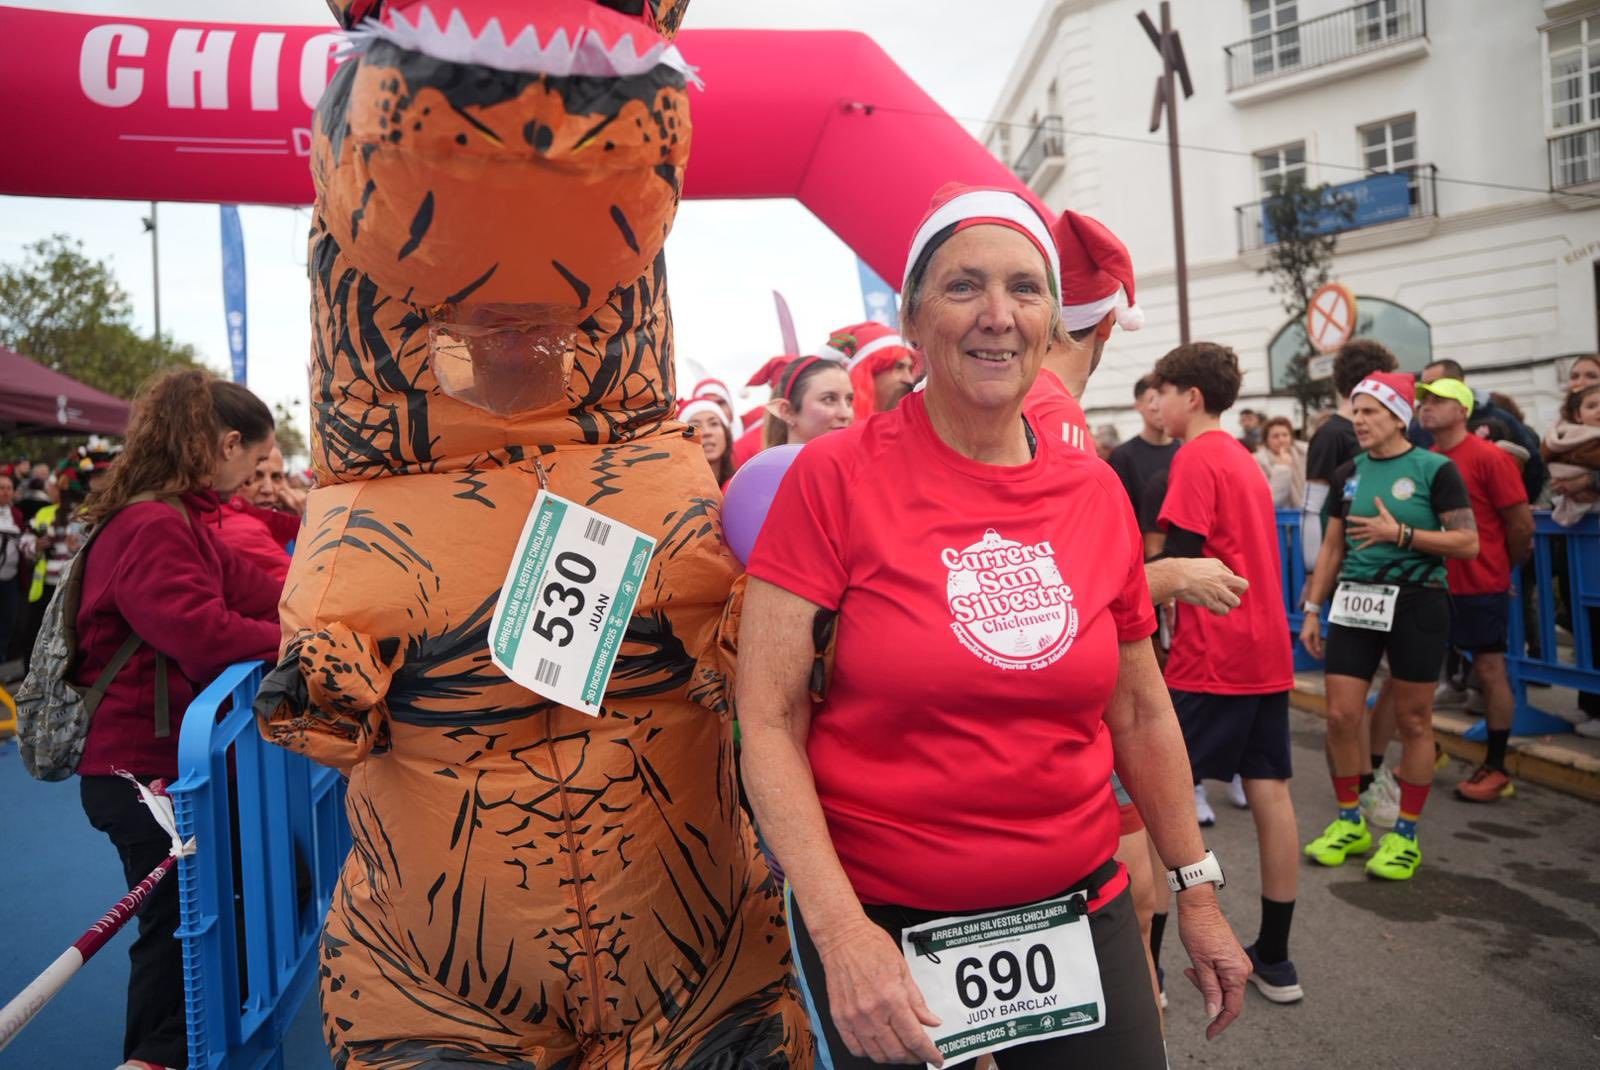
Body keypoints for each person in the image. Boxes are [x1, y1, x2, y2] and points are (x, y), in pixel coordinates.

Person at [739, 185, 1248, 1070]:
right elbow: (770, 720)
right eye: (964, 286)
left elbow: (1138, 710)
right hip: (884, 924)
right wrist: (840, 931)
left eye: (1025, 288)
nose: (998, 316)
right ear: (913, 315)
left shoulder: (1093, 492)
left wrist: (1195, 888)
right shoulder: (832, 479)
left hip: (1077, 911)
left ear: (1053, 320)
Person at [72, 369, 285, 1070]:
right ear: (226, 444)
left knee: (209, 909)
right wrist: (301, 639)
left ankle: (179, 1047)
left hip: (159, 764)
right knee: (175, 925)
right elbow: (205, 632)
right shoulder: (152, 525)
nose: (254, 478)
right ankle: (153, 1058)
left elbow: (257, 588)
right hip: (138, 770)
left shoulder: (175, 519)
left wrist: (330, 595)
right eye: (255, 463)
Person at [1150, 342, 1303, 1004]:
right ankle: (1276, 957)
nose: (1155, 403)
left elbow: (1181, 560)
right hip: (1266, 649)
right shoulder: (1242, 457)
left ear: (1192, 396)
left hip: (1213, 654)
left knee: (1162, 800)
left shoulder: (1197, 456)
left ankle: (1147, 964)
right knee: (1271, 791)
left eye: (1164, 390)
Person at [1299, 372, 1479, 881]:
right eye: (1355, 411)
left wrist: (1399, 533)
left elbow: (1467, 542)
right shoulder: (1347, 473)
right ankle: (1350, 819)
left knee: (1416, 721)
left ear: (1399, 416)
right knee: (1339, 715)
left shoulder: (1434, 469)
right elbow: (1333, 546)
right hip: (1355, 602)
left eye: (1370, 412)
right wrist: (1313, 608)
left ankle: (1404, 834)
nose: (1358, 420)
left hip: (1417, 603)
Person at [1414, 377, 1533, 801]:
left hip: (1481, 583)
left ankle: (1497, 766)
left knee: (1488, 669)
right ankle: (1432, 750)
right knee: (1417, 675)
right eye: (1423, 401)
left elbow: (1521, 523)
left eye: (1438, 400)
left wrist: (1504, 570)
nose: (1426, 407)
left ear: (1463, 410)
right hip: (1432, 583)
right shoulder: (1424, 459)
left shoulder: (1489, 458)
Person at [1301, 340, 1398, 575]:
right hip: (1346, 565)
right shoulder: (1330, 434)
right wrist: (1313, 572)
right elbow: (1312, 509)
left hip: (1388, 559)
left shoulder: (1390, 429)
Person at [1410, 358, 1546, 502]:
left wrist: (1524, 500)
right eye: (1425, 389)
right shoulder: (1418, 428)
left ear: (1459, 381)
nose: (1428, 396)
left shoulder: (1498, 420)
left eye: (1435, 385)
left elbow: (1533, 461)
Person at [211, 446, 304, 585]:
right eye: (256, 476)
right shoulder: (242, 531)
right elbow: (306, 592)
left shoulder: (281, 526)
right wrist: (310, 526)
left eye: (276, 477)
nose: (268, 489)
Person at [823, 321, 921, 420]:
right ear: (865, 374)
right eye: (899, 367)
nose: (909, 380)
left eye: (910, 369)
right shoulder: (834, 430)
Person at [1108, 375, 1178, 510]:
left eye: (1162, 398)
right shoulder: (1122, 456)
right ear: (1138, 406)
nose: (1159, 407)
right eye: (1152, 400)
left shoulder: (1182, 450)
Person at [761, 355, 854, 449]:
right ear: (787, 411)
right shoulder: (770, 464)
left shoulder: (859, 462)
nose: (846, 414)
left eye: (849, 400)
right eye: (829, 399)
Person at [1544, 382, 1600, 525]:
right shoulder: (1566, 435)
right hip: (1577, 512)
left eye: (1591, 376)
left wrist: (1589, 481)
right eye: (1591, 406)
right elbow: (1552, 461)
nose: (1599, 410)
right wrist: (1563, 485)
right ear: (1578, 415)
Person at [0, 470, 30, 665]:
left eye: (8, 488)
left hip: (11, 580)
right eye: (1, 488)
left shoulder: (17, 515)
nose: (5, 492)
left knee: (7, 625)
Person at [680, 394, 736, 485]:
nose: (707, 432)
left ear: (726, 433)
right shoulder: (676, 492)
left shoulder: (741, 483)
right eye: (695, 426)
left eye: (713, 423)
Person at [1255, 417, 1307, 509]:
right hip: (1277, 516)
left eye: (1285, 435)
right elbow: (1272, 499)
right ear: (1266, 440)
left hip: (1302, 512)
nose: (1281, 440)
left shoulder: (1303, 453)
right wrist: (1282, 468)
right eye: (1275, 436)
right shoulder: (1258, 461)